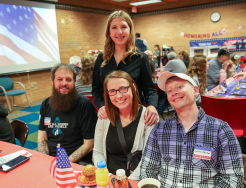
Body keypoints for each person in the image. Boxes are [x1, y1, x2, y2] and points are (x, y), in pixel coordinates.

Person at [141, 72, 244, 187]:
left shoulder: (221, 129)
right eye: (169, 91)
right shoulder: (159, 129)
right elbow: (148, 168)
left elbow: (233, 178)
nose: (174, 92)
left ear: (195, 90)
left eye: (179, 87)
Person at [92, 10, 158, 126]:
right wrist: (102, 105)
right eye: (114, 27)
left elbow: (150, 90)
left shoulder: (140, 58)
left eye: (123, 27)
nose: (119, 32)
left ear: (130, 30)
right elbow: (96, 89)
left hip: (134, 116)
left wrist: (152, 106)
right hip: (109, 116)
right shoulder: (101, 58)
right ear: (109, 31)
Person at [93, 71, 154, 180]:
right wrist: (105, 175)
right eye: (112, 91)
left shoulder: (148, 117)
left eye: (123, 89)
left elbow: (148, 160)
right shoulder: (104, 117)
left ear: (133, 88)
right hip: (108, 178)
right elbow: (98, 152)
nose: (119, 96)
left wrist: (126, 183)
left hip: (135, 179)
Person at [38, 63, 97, 164]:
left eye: (68, 80)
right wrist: (45, 159)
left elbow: (89, 144)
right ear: (52, 81)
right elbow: (42, 137)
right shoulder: (46, 104)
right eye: (59, 79)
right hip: (50, 158)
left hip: (76, 160)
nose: (64, 83)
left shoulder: (85, 105)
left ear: (75, 82)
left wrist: (64, 163)